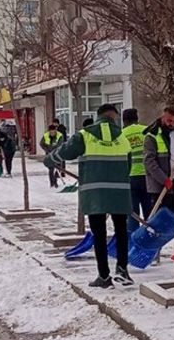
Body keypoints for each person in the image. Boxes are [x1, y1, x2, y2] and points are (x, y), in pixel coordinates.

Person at [45, 104, 134, 288]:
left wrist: (49, 160)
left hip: (95, 193)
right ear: (113, 117)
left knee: (99, 233)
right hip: (120, 191)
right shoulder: (124, 137)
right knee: (121, 230)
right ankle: (123, 270)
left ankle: (104, 276)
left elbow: (65, 151)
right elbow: (129, 164)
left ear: (98, 116)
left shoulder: (85, 135)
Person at [143, 106, 174, 215]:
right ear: (162, 117)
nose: (171, 124)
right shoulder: (152, 135)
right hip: (160, 185)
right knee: (161, 216)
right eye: (169, 120)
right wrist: (164, 180)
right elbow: (149, 162)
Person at [122, 108, 151, 234]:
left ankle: (133, 240)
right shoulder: (147, 131)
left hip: (130, 177)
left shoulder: (121, 134)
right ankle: (149, 237)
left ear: (124, 121)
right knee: (149, 212)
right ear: (137, 119)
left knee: (132, 213)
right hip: (147, 177)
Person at [40, 122, 65, 188]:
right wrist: (47, 150)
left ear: (55, 130)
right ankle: (52, 182)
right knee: (51, 169)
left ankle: (55, 179)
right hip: (49, 154)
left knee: (59, 168)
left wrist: (55, 151)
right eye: (51, 132)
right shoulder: (46, 135)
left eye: (53, 132)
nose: (52, 133)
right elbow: (41, 144)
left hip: (57, 154)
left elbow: (60, 145)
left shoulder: (60, 135)